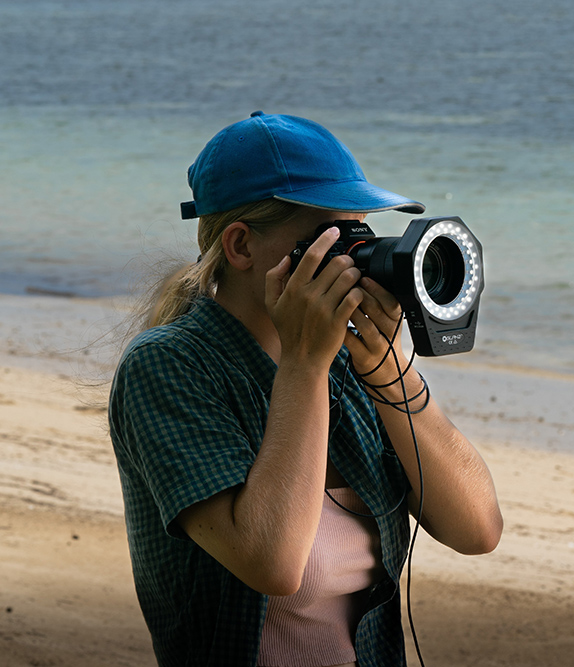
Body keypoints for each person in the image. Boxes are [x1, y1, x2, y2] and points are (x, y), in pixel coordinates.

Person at [108, 111, 503, 667]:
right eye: (332, 237)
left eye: (361, 232)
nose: (355, 256)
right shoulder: (169, 367)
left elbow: (477, 529)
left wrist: (389, 371)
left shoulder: (345, 361)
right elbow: (272, 563)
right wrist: (303, 366)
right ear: (241, 247)